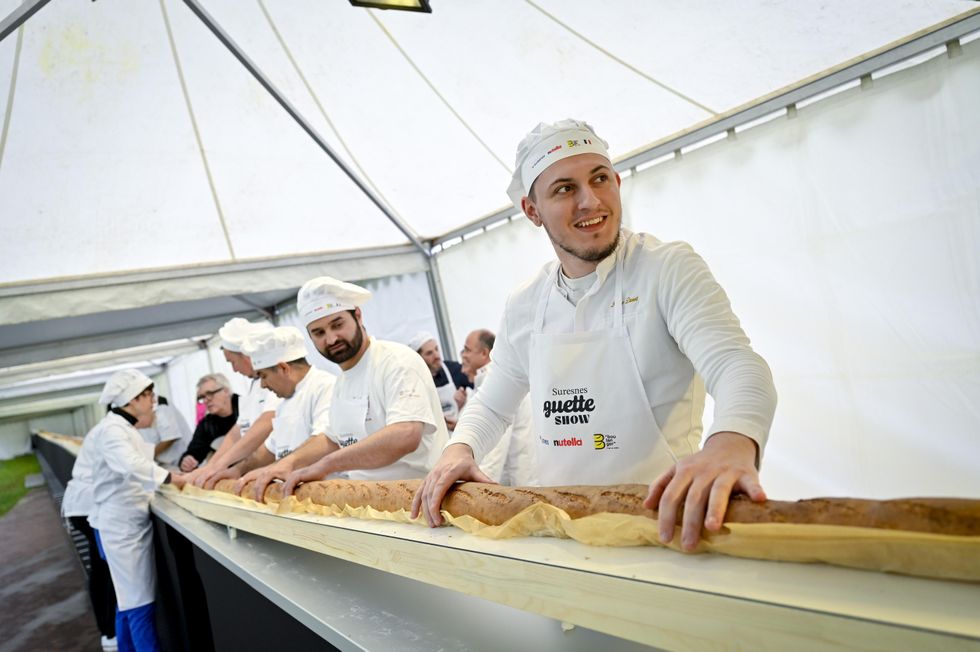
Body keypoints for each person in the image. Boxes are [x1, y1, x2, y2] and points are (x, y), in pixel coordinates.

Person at [413, 119, 777, 552]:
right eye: (565, 189)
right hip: (563, 536)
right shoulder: (527, 303)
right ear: (532, 211)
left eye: (600, 179)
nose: (591, 201)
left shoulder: (666, 268)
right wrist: (460, 449)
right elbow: (492, 404)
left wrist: (731, 441)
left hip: (663, 532)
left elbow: (736, 363)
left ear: (617, 183)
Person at [253, 277, 448, 497]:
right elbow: (332, 439)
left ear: (357, 315)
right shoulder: (342, 382)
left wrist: (326, 465)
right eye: (319, 333)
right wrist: (287, 463)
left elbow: (405, 434)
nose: (331, 339)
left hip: (421, 498)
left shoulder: (396, 361)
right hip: (369, 502)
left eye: (337, 325)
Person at [87, 369, 187, 651]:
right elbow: (131, 464)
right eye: (148, 395)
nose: (153, 400)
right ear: (132, 399)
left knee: (127, 602)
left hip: (126, 522)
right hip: (121, 527)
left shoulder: (123, 428)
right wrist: (172, 478)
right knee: (139, 605)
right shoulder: (112, 431)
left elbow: (140, 460)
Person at [222, 326, 336, 501]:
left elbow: (325, 439)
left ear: (284, 368)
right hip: (292, 498)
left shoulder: (325, 387)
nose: (262, 385)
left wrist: (283, 464)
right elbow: (269, 449)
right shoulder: (284, 402)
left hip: (327, 498)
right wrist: (238, 470)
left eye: (263, 376)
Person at [181, 319, 280, 491]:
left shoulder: (275, 382)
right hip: (258, 473)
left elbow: (266, 423)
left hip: (276, 471)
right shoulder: (255, 385)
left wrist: (221, 466)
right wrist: (211, 467)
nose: (234, 370)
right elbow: (237, 433)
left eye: (232, 362)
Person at [456, 329, 536, 486]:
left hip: (518, 486)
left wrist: (476, 492)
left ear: (485, 353)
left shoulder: (495, 384)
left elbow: (493, 453)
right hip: (514, 484)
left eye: (467, 350)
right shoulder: (483, 382)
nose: (463, 355)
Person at [62, 429, 118, 650]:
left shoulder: (106, 429)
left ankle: (107, 631)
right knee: (105, 568)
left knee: (100, 567)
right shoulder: (115, 432)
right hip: (88, 507)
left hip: (80, 506)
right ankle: (110, 632)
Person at [408, 332, 472, 429]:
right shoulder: (413, 384)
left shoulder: (454, 369)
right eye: (429, 353)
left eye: (437, 349)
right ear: (418, 358)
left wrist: (465, 403)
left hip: (458, 431)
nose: (437, 356)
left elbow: (480, 389)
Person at [177, 374, 240, 470]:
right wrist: (187, 461)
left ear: (226, 391)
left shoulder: (247, 407)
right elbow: (194, 452)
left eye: (210, 394)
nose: (206, 400)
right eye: (202, 397)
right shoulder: (206, 424)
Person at [138, 395, 192, 468]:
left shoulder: (159, 403)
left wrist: (147, 457)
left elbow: (170, 438)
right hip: (164, 464)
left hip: (184, 459)